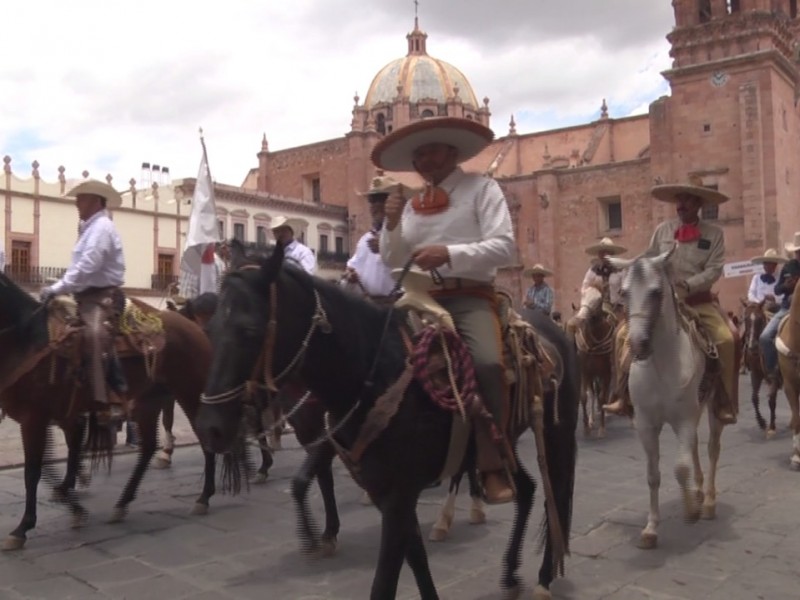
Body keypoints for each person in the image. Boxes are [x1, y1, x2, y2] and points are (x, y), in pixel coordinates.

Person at [375, 116, 517, 504]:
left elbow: (505, 247)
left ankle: (492, 462)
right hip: (417, 297)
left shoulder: (482, 188)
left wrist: (448, 255)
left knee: (487, 363)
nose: (424, 160)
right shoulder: (410, 205)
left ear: (452, 152)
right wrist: (390, 226)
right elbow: (394, 260)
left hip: (468, 295)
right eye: (417, 154)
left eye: (431, 150)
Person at [605, 180, 738, 425]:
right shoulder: (663, 230)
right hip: (663, 300)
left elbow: (714, 269)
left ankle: (723, 400)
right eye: (679, 200)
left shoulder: (714, 234)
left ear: (698, 203)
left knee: (726, 339)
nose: (681, 205)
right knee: (622, 335)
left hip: (698, 301)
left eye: (687, 200)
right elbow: (649, 257)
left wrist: (688, 285)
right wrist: (629, 264)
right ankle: (622, 394)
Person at [39, 179, 127, 422]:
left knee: (94, 335)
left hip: (103, 298)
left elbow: (88, 266)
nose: (77, 202)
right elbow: (79, 269)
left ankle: (107, 399)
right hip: (83, 297)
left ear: (96, 201)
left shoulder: (102, 228)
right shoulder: (88, 228)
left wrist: (57, 287)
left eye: (82, 198)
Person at [342, 175, 407, 303]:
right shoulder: (364, 240)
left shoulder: (407, 233)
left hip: (398, 305)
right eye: (372, 200)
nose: (376, 205)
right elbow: (352, 268)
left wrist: (386, 247)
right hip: (369, 307)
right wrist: (350, 277)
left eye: (383, 199)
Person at [759, 232, 800, 380]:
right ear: (795, 252)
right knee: (764, 337)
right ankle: (774, 370)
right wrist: (786, 285)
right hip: (786, 308)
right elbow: (777, 289)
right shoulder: (789, 267)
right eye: (798, 251)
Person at [581, 237, 627, 317]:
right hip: (596, 307)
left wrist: (623, 292)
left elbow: (626, 287)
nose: (604, 255)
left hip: (617, 308)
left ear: (611, 254)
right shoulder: (593, 270)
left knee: (625, 328)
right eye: (601, 253)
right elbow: (585, 286)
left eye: (606, 253)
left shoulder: (620, 269)